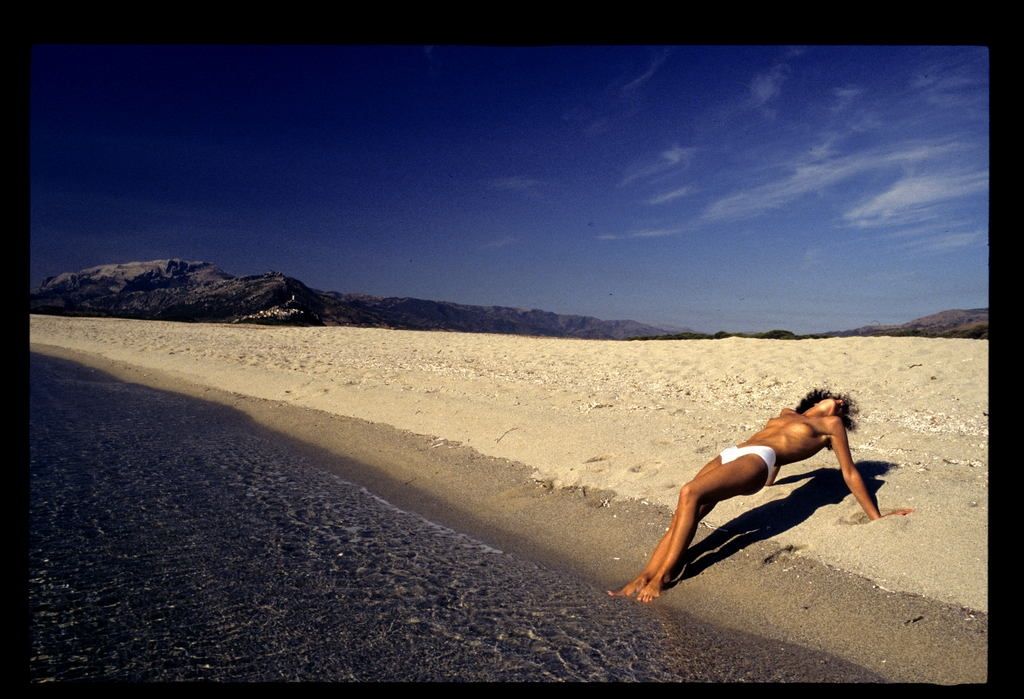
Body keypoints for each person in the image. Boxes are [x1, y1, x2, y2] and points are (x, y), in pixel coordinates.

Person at [608, 388, 914, 603]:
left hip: (759, 459)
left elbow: (848, 472)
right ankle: (644, 574)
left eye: (844, 407)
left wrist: (877, 516)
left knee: (690, 492)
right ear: (820, 397)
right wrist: (771, 476)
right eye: (839, 399)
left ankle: (662, 577)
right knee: (687, 507)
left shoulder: (830, 427)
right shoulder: (787, 413)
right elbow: (779, 457)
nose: (841, 404)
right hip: (735, 452)